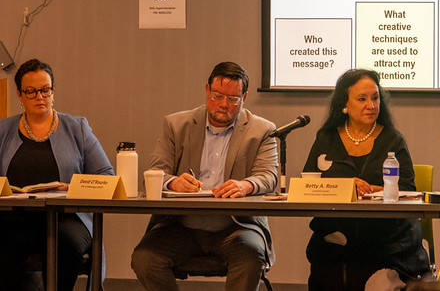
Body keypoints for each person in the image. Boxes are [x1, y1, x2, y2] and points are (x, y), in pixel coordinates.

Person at [130, 61, 279, 291]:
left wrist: (246, 185)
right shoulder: (176, 124)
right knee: (145, 259)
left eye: (233, 99)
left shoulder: (262, 130)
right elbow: (155, 172)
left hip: (236, 226)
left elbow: (269, 176)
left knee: (251, 257)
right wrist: (173, 182)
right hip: (181, 226)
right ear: (207, 90)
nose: (223, 104)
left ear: (244, 98)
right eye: (217, 96)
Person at [302, 68, 430, 290]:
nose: (371, 105)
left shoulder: (393, 139)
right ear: (345, 103)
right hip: (337, 234)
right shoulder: (326, 137)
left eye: (375, 98)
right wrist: (345, 187)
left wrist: (372, 191)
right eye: (362, 99)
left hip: (389, 237)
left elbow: (408, 190)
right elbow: (307, 184)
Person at [0, 58, 114, 291]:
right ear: (20, 95)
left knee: (64, 244)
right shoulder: (3, 130)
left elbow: (106, 177)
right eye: (31, 92)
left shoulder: (77, 128)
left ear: (53, 91)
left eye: (45, 90)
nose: (39, 97)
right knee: (4, 244)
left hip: (67, 218)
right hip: (14, 217)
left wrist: (72, 188)